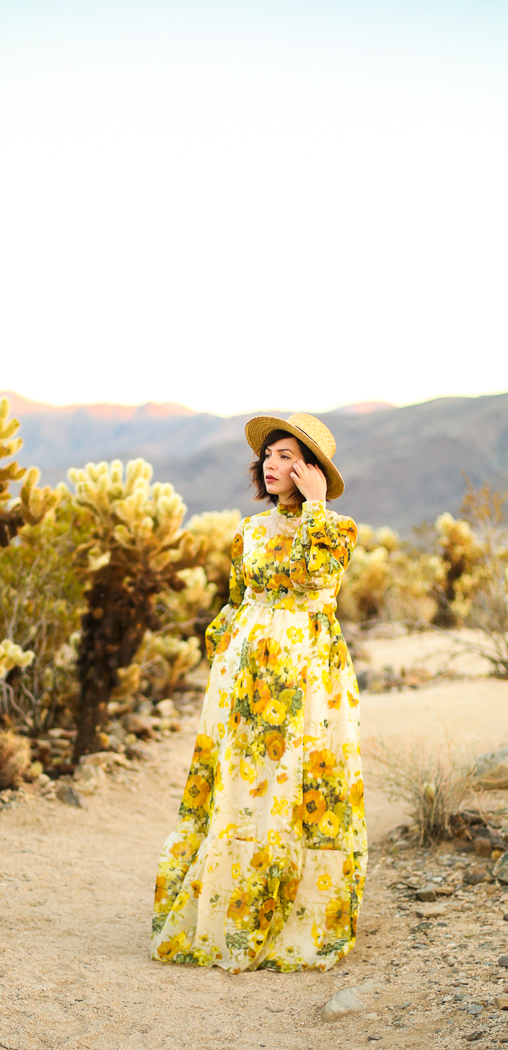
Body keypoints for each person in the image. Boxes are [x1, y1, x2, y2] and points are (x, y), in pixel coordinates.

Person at [151, 413, 366, 973]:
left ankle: (293, 909)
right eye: (270, 455)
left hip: (307, 672)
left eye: (289, 456)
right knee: (242, 781)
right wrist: (227, 646)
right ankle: (228, 911)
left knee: (299, 777)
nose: (274, 465)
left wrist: (318, 507)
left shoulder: (336, 529)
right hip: (245, 671)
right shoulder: (249, 530)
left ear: (312, 468)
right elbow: (236, 598)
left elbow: (317, 582)